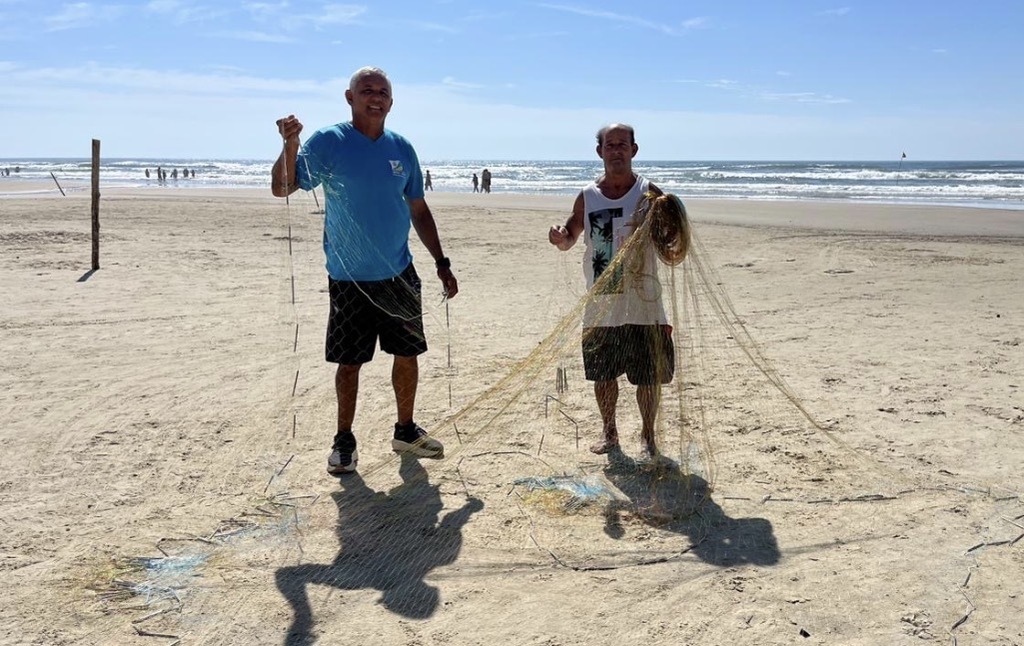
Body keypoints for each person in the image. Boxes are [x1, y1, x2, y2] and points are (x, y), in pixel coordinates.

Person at [272, 66, 459, 476]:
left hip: (399, 273)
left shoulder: (402, 148)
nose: (376, 96)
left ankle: (406, 430)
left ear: (391, 102)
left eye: (383, 92)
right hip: (349, 278)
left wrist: (441, 262)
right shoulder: (329, 142)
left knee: (408, 354)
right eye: (367, 90)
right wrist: (290, 145)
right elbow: (284, 188)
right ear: (349, 97)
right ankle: (344, 440)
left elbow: (418, 209)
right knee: (350, 362)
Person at [548, 123, 674, 462]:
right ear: (599, 151)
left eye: (622, 144)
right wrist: (561, 237)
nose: (616, 150)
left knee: (649, 375)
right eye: (609, 144)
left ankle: (648, 438)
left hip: (645, 301)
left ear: (634, 150)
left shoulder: (650, 193)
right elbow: (572, 235)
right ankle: (609, 433)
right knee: (603, 373)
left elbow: (667, 239)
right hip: (602, 301)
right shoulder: (587, 196)